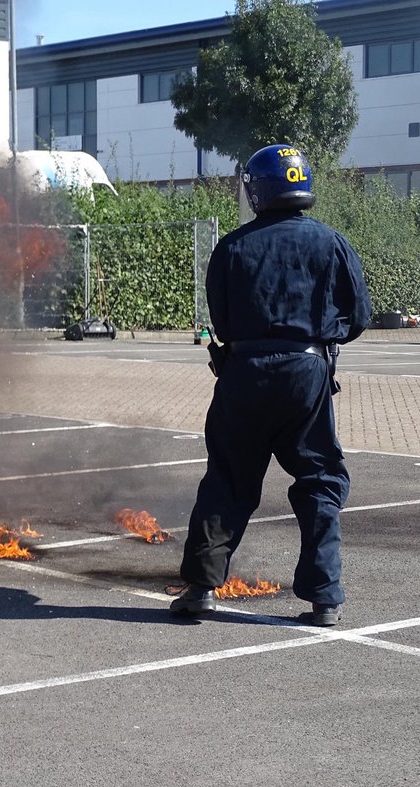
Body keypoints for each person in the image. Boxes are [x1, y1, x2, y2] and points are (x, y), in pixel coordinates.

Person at [173, 144, 372, 627]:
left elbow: (220, 321)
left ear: (258, 189)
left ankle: (200, 588)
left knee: (228, 480)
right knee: (320, 479)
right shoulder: (333, 243)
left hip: (243, 374)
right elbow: (359, 316)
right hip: (307, 375)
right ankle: (325, 597)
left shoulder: (234, 247)